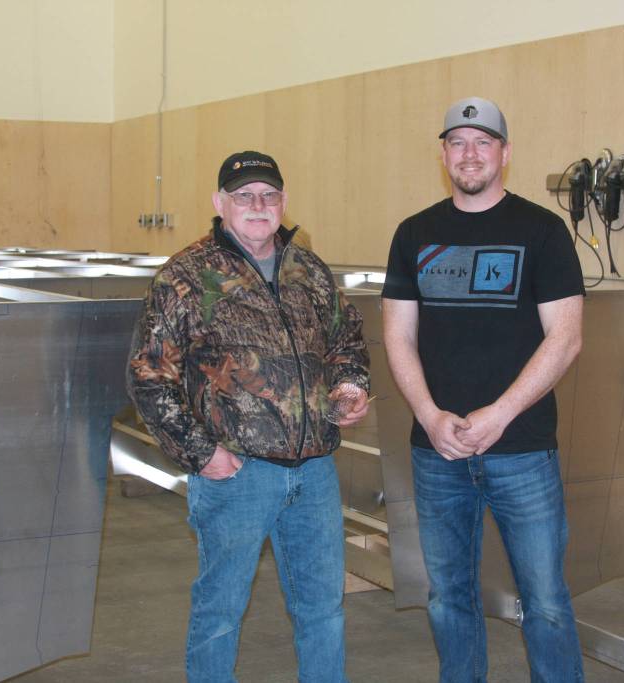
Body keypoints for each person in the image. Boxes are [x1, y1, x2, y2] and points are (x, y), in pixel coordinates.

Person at [127, 150, 370, 683]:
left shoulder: (308, 269)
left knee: (322, 610)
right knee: (220, 612)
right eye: (244, 196)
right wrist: (202, 454)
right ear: (220, 203)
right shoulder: (187, 276)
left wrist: (351, 384)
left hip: (314, 474)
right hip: (237, 475)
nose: (258, 206)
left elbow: (345, 339)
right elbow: (149, 373)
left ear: (283, 202)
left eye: (269, 195)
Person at [381, 97, 586, 682]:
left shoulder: (542, 231)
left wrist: (498, 414)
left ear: (505, 153)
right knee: (447, 597)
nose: (469, 154)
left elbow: (566, 338)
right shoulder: (415, 233)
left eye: (483, 141)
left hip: (520, 449)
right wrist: (429, 415)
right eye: (457, 142)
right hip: (438, 452)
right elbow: (397, 337)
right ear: (443, 153)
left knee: (544, 602)